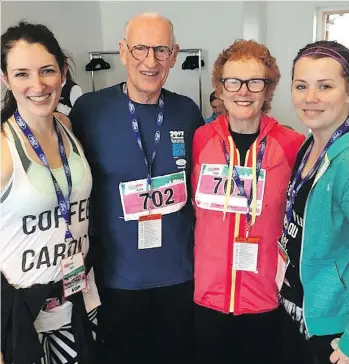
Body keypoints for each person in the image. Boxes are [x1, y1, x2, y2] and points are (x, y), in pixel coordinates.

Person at [70, 12, 204, 364]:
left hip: (179, 277)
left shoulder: (187, 112)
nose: (150, 61)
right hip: (116, 281)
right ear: (123, 51)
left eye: (161, 50)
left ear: (174, 55)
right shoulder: (89, 110)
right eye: (140, 48)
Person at [191, 39, 305, 364]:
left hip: (265, 300)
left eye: (255, 81)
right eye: (233, 81)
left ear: (268, 90)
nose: (243, 91)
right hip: (207, 298)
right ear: (221, 89)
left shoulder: (292, 144)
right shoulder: (201, 140)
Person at [0, 22, 100, 364]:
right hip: (25, 317)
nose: (37, 85)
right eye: (22, 74)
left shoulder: (68, 128)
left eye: (47, 71)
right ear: (5, 79)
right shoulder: (3, 147)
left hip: (78, 301)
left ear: (63, 72)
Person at [278, 40, 349, 364]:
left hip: (333, 327)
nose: (311, 98)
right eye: (302, 86)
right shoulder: (309, 147)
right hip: (297, 308)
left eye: (325, 86)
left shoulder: (346, 161)